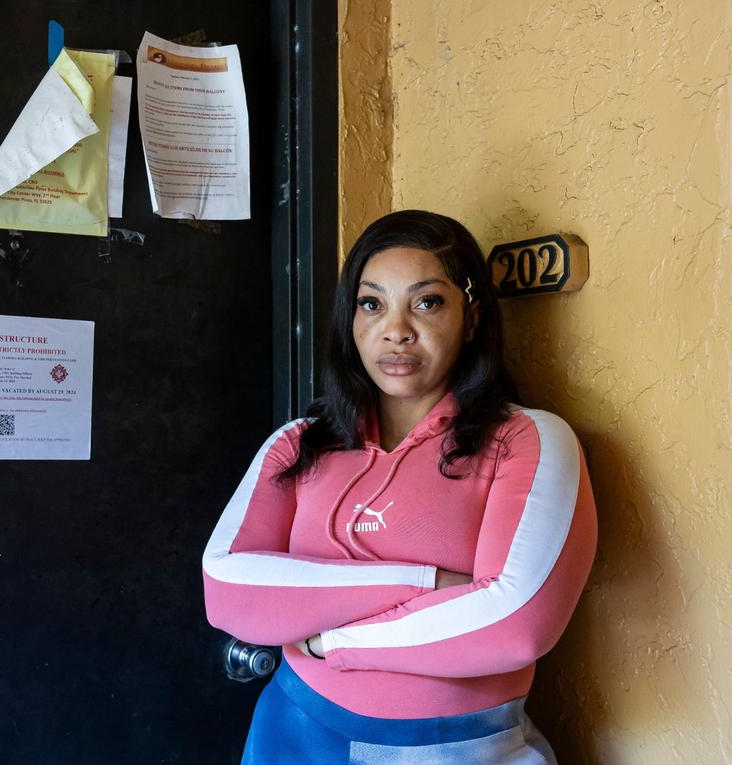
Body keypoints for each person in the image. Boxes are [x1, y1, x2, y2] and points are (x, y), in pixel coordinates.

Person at [202, 210, 597, 763]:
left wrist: (329, 641)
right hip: (293, 734)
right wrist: (431, 582)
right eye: (372, 303)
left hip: (459, 748)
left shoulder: (527, 438)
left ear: (472, 316)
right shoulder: (299, 443)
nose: (396, 329)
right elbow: (229, 591)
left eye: (427, 302)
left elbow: (515, 626)